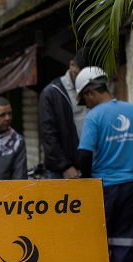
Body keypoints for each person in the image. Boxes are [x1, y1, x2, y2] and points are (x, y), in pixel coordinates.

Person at [76, 67, 133, 262]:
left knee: (97, 238)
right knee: (125, 238)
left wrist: (86, 182)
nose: (86, 104)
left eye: (85, 99)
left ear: (90, 94)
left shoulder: (94, 117)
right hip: (131, 185)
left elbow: (85, 155)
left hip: (103, 186)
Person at [38, 49, 88, 179]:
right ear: (71, 65)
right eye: (78, 74)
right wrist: (64, 166)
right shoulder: (51, 93)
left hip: (90, 165)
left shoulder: (92, 89)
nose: (82, 80)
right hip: (64, 170)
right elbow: (48, 134)